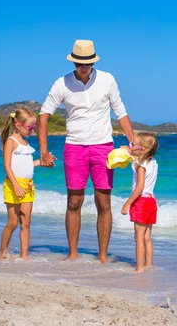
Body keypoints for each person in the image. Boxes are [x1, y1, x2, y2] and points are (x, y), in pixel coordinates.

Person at [38, 39, 137, 262]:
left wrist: (133, 142)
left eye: (88, 63)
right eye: (79, 63)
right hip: (74, 147)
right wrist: (43, 151)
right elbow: (43, 116)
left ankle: (102, 256)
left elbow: (120, 112)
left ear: (93, 61)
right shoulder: (61, 84)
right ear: (73, 62)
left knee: (103, 202)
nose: (84, 67)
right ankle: (72, 255)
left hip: (103, 146)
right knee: (74, 202)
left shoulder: (107, 79)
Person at [0, 108, 44, 260]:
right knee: (12, 222)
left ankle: (24, 256)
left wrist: (42, 162)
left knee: (26, 222)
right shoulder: (11, 142)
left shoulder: (26, 142)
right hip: (13, 186)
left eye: (34, 127)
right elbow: (7, 166)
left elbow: (28, 164)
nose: (32, 130)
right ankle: (1, 253)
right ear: (18, 125)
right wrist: (16, 185)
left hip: (28, 186)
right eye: (30, 127)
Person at [120, 132, 159, 273]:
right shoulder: (153, 162)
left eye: (132, 144)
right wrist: (128, 150)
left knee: (138, 238)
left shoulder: (140, 166)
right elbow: (136, 157)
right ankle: (148, 265)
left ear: (142, 149)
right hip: (151, 201)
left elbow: (140, 187)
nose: (130, 145)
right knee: (147, 237)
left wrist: (128, 203)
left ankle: (139, 268)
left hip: (141, 201)